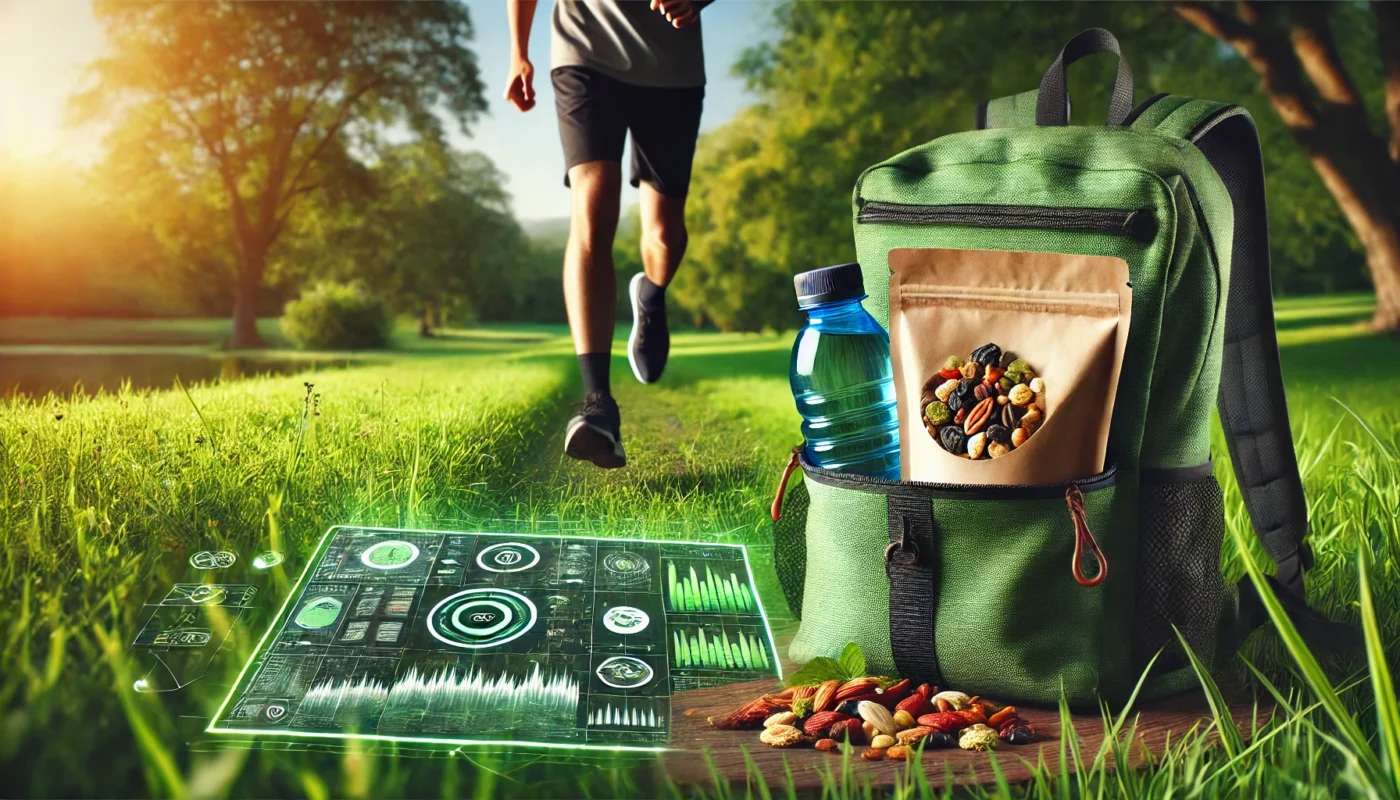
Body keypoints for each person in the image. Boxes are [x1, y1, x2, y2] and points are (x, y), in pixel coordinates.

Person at [504, 0, 708, 469]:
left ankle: (652, 296)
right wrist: (519, 49)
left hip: (671, 66)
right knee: (592, 211)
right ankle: (598, 403)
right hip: (583, 50)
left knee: (664, 238)